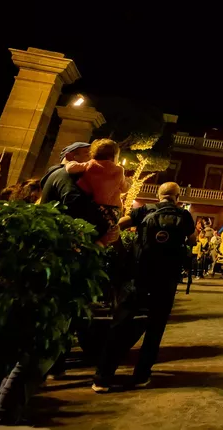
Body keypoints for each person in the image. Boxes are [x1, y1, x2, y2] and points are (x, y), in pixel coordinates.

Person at [93, 182, 195, 392]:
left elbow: (118, 226)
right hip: (165, 280)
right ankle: (142, 375)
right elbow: (192, 240)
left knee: (119, 325)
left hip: (138, 276)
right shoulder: (184, 216)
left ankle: (102, 378)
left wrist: (122, 249)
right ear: (177, 196)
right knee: (155, 330)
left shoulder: (144, 211)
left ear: (159, 195)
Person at [65, 138, 129, 223]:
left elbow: (70, 169)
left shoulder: (90, 164)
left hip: (92, 207)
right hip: (112, 210)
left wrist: (70, 162)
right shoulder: (119, 170)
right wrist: (129, 183)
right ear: (114, 156)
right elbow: (124, 188)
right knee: (111, 230)